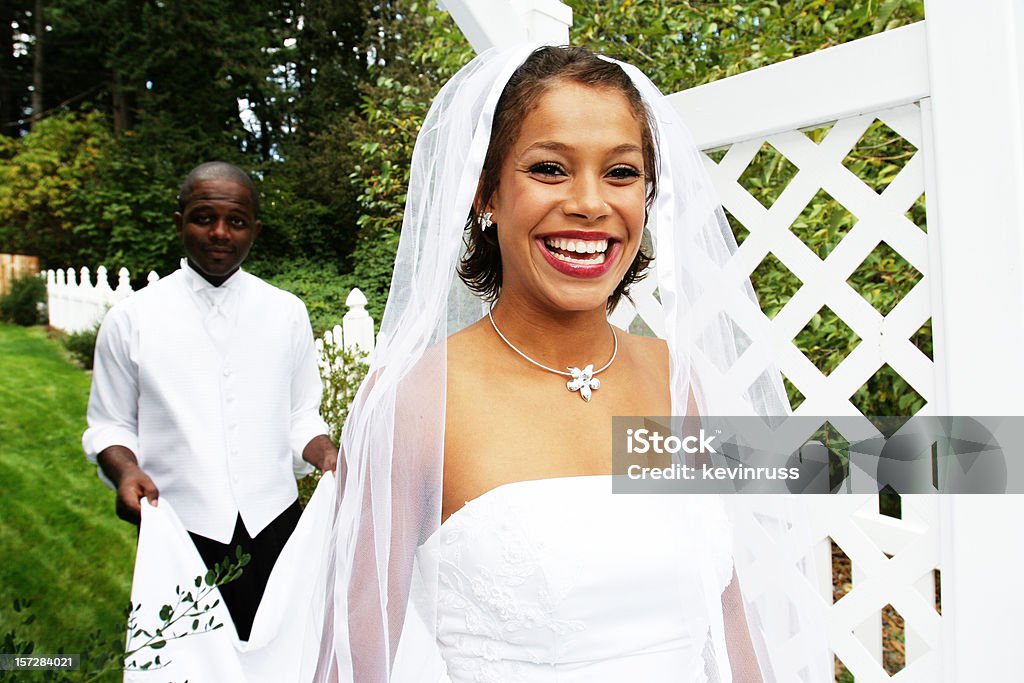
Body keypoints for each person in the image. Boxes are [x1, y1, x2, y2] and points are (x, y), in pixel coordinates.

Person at [314, 46, 829, 681]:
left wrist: (959, 452)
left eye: (621, 173)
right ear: (486, 194)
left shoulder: (674, 380)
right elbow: (352, 661)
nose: (590, 202)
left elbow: (726, 613)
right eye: (551, 168)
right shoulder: (420, 401)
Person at [83, 161, 338, 643]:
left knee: (285, 654)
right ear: (179, 222)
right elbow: (110, 426)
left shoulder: (286, 313)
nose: (220, 233)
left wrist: (325, 452)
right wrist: (125, 471)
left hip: (275, 525)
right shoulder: (132, 319)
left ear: (254, 230)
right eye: (204, 217)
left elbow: (301, 414)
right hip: (179, 529)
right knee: (187, 659)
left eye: (236, 221)